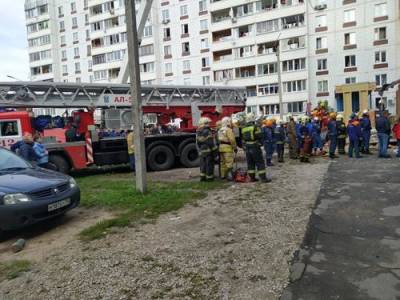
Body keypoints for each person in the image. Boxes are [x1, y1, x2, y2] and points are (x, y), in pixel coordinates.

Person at [242, 113, 271, 183]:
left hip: (247, 147)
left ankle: (252, 178)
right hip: (255, 146)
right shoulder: (255, 127)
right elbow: (259, 136)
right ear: (252, 119)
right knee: (260, 162)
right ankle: (263, 178)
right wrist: (261, 143)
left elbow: (242, 139)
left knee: (250, 163)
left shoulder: (244, 128)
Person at [196, 117, 217, 181]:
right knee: (209, 165)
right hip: (208, 151)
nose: (209, 124)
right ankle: (209, 178)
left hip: (202, 151)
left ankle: (202, 177)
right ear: (205, 123)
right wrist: (215, 152)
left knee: (203, 165)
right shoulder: (208, 131)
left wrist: (200, 150)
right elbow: (211, 143)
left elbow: (198, 143)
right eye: (208, 123)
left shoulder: (198, 131)